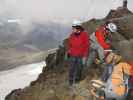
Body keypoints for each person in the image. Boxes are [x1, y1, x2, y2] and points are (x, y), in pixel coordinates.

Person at [65, 20, 90, 86]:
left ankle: (77, 81)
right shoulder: (72, 35)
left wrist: (85, 56)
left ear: (78, 27)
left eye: (74, 28)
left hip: (80, 56)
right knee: (71, 69)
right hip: (73, 55)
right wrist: (69, 52)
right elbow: (70, 45)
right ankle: (70, 82)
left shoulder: (84, 35)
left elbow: (87, 46)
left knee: (79, 68)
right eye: (72, 28)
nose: (72, 29)